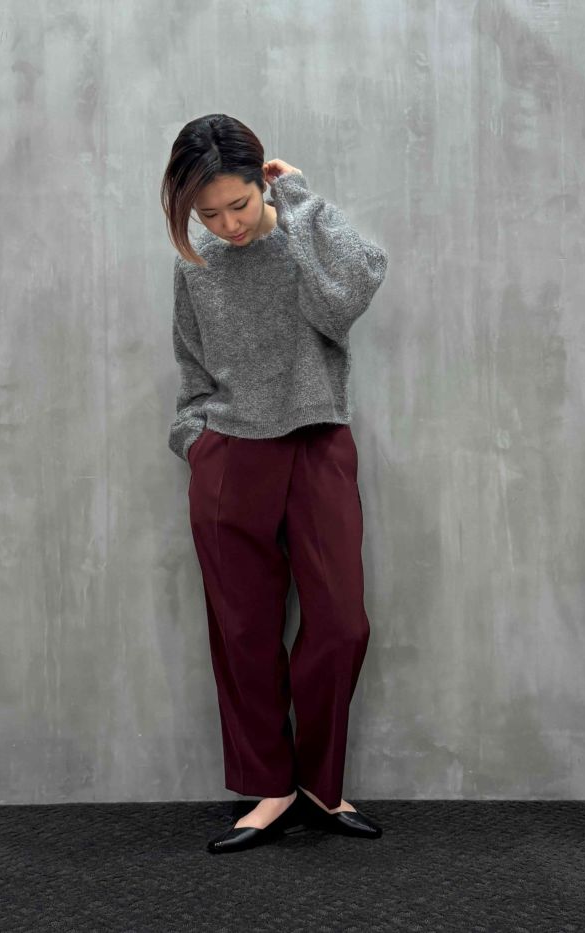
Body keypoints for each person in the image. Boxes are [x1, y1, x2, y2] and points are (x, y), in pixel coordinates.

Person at [160, 113, 388, 853]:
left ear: (262, 181)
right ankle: (272, 786)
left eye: (237, 204)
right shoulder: (195, 268)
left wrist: (302, 202)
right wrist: (195, 441)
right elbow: (193, 372)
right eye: (206, 214)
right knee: (243, 631)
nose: (225, 225)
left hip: (318, 442)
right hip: (230, 456)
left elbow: (349, 294)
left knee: (342, 623)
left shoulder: (303, 238)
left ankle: (321, 783)